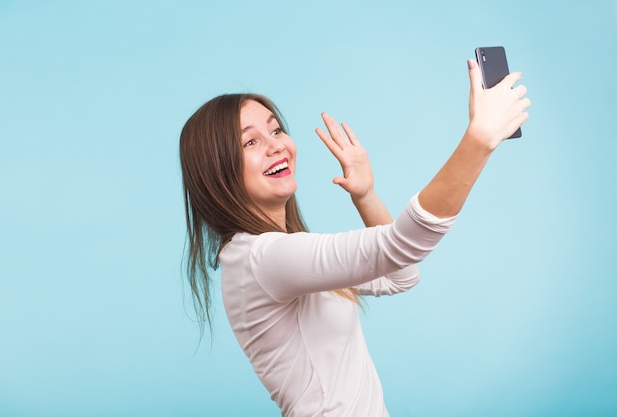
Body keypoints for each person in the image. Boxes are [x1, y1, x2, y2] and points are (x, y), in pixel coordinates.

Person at [179, 59, 530, 417]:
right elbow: (406, 242)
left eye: (276, 130)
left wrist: (365, 195)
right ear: (217, 171)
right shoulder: (264, 259)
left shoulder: (273, 256)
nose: (276, 146)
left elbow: (400, 274)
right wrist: (478, 141)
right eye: (251, 141)